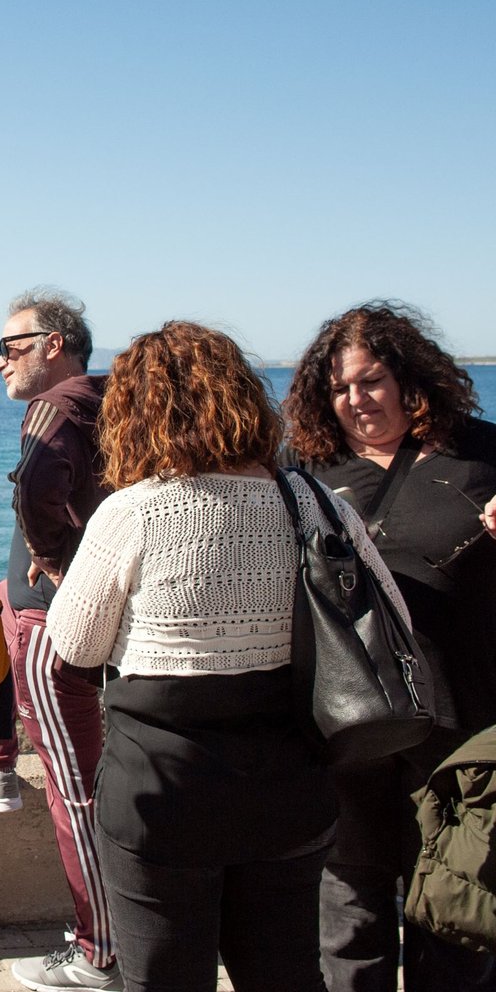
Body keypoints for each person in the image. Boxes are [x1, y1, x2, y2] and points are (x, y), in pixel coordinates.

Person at [48, 321, 392, 992]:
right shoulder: (317, 505)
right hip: (289, 790)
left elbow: (73, 647)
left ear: (134, 415)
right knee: (286, 972)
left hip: (162, 799)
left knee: (164, 979)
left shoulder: (134, 513)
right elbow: (389, 624)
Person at [286, 301, 496, 992]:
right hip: (346, 728)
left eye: (370, 380)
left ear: (411, 377)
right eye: (339, 388)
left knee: (453, 908)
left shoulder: (482, 455)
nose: (355, 400)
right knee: (349, 911)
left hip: (461, 727)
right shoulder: (302, 469)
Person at [0, 289, 121, 992]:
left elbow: (37, 488)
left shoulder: (56, 407)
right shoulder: (107, 403)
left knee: (75, 800)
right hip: (89, 624)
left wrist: (59, 561)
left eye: (11, 347)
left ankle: (99, 951)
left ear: (54, 343)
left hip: (54, 627)